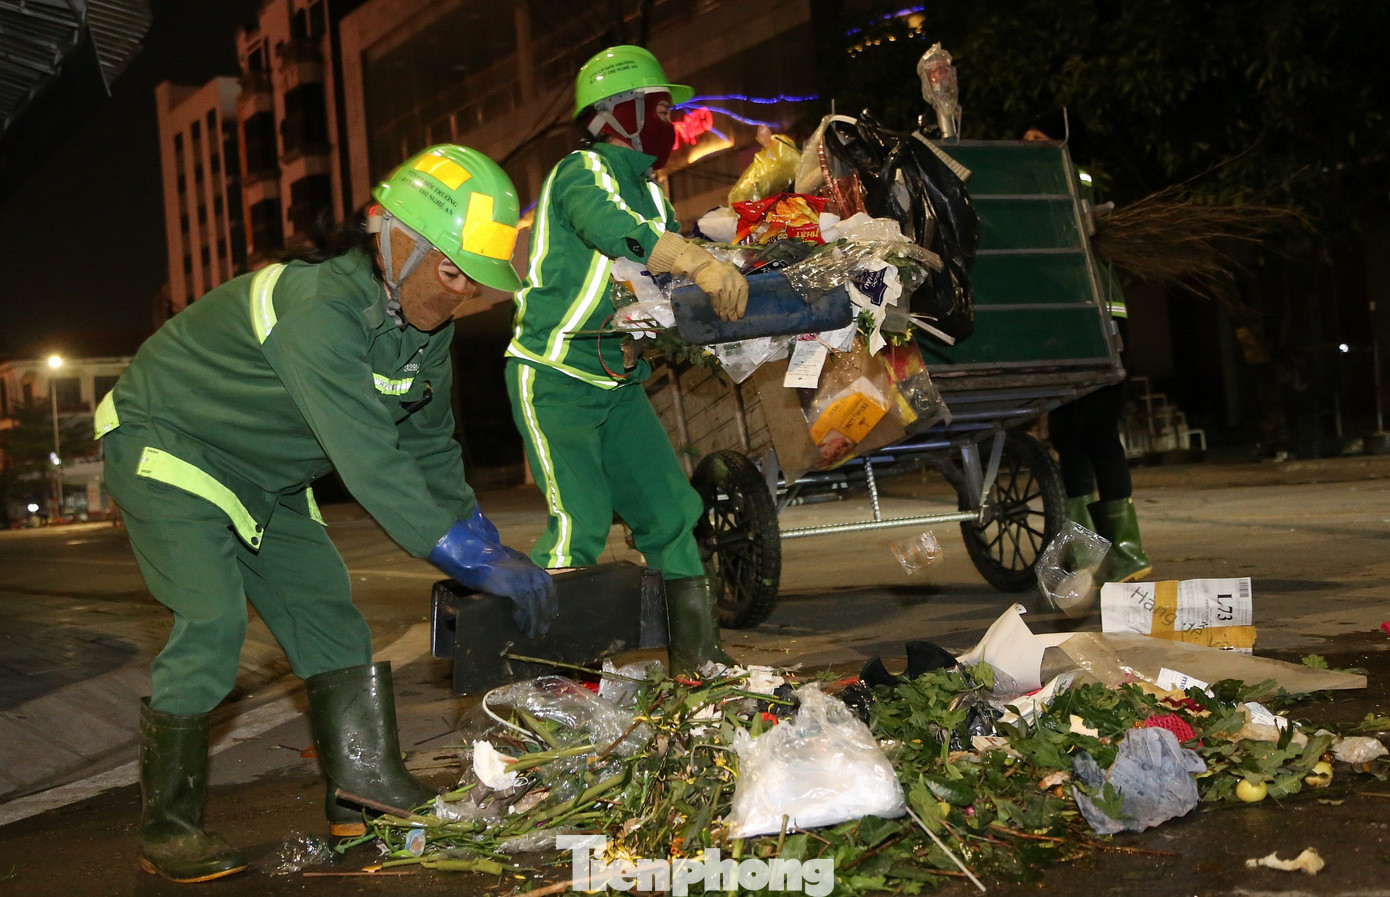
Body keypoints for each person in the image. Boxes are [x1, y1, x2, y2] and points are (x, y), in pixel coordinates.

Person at [95, 144, 557, 883]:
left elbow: (430, 446)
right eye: (453, 272)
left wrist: (484, 542)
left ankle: (363, 789)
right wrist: (458, 554)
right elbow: (369, 456)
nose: (462, 294)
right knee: (213, 620)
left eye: (474, 282)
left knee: (330, 619)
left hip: (265, 478)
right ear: (398, 243)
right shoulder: (319, 309)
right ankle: (169, 827)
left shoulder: (421, 335)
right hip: (170, 446)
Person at [505, 45, 748, 674]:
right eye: (659, 108)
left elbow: (655, 284)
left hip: (615, 379)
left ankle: (699, 663)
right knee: (577, 526)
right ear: (620, 114)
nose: (669, 121)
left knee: (671, 512)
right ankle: (554, 684)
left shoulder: (652, 193)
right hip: (555, 374)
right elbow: (610, 226)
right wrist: (694, 259)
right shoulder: (581, 171)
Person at [1024, 112, 1152, 583]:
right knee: (1070, 438)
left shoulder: (1070, 182)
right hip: (1070, 325)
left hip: (1098, 323)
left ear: (1061, 143)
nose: (1031, 147)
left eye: (1040, 139)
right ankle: (1094, 556)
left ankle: (1121, 555)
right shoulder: (1051, 187)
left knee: (1096, 434)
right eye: (1026, 141)